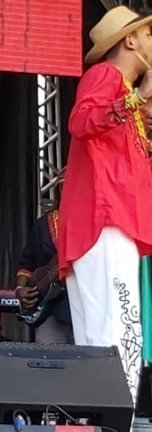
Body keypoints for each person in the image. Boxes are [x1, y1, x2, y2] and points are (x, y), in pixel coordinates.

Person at [57, 6, 152, 398]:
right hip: (104, 218)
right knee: (119, 327)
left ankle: (104, 420)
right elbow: (80, 122)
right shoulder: (106, 75)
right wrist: (138, 99)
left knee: (103, 332)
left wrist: (141, 106)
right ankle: (117, 425)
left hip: (109, 220)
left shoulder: (127, 94)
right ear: (129, 40)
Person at [15, 209, 73, 344]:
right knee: (50, 361)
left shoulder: (95, 222)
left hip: (85, 309)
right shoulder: (43, 225)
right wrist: (20, 288)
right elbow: (26, 264)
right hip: (49, 312)